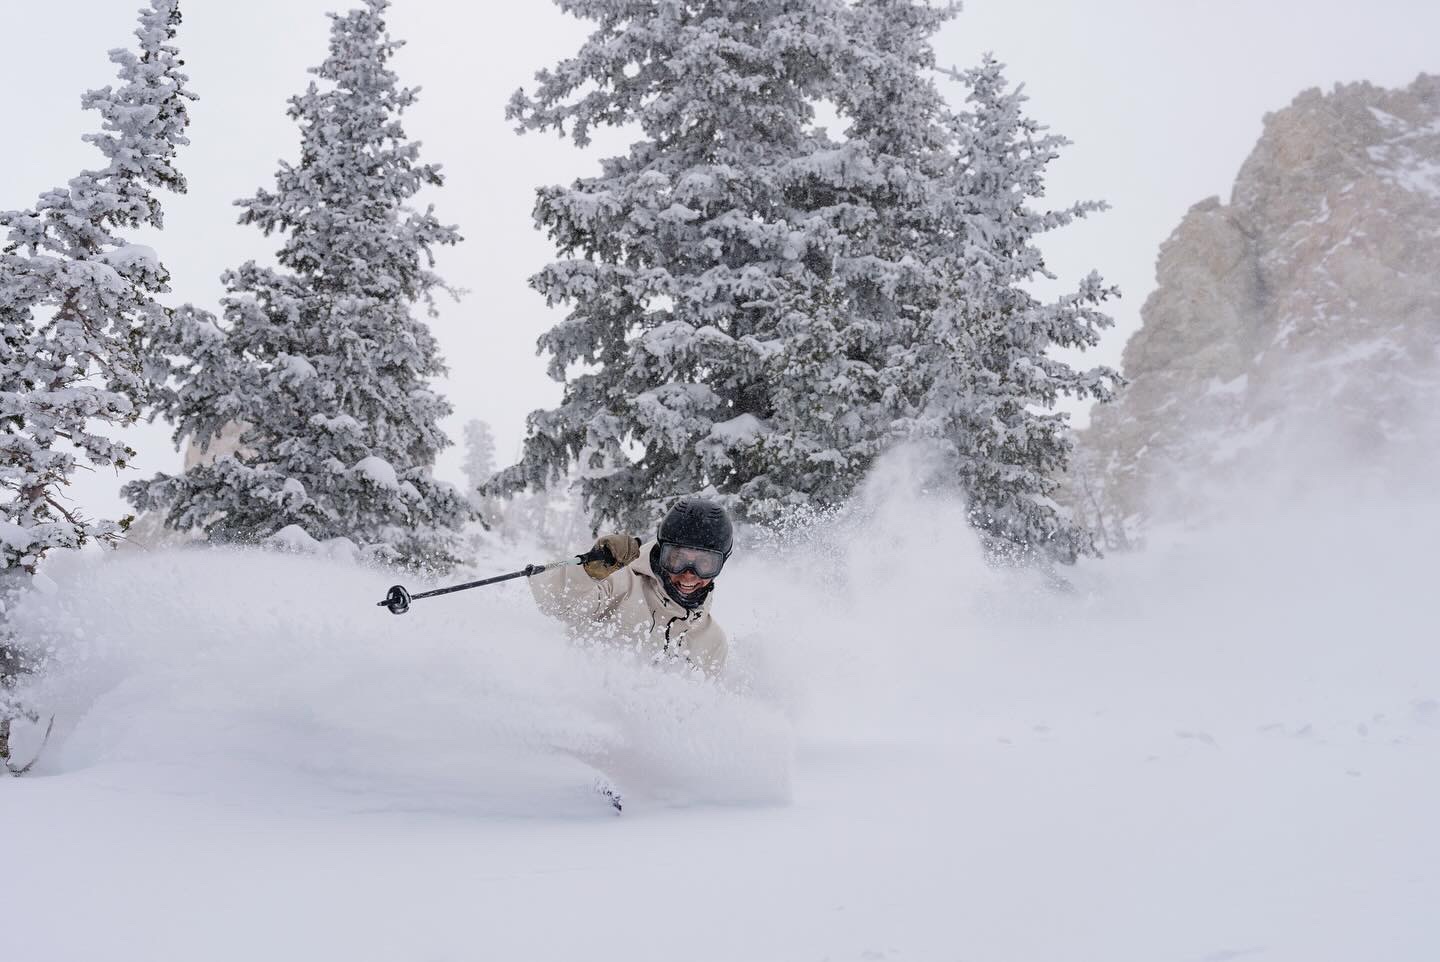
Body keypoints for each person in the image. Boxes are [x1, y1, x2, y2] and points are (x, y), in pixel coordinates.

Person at [529, 497, 733, 675]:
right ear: (662, 553)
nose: (689, 575)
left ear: (721, 564)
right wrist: (587, 571)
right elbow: (556, 605)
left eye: (705, 564)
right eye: (677, 559)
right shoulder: (619, 584)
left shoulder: (712, 642)